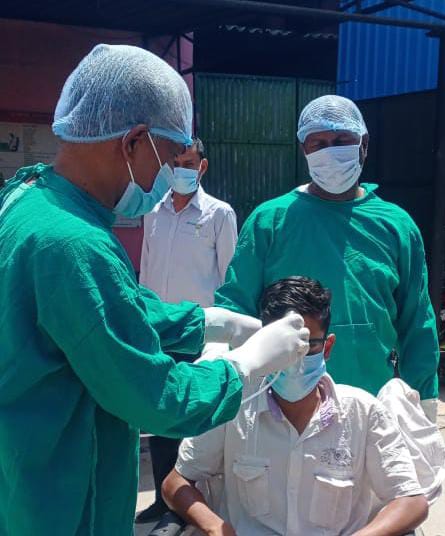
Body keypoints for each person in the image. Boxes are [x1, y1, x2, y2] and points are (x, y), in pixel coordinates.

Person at [0, 44, 310, 536]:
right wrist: (244, 365)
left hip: (22, 470)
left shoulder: (30, 199)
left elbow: (108, 308)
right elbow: (153, 398)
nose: (166, 179)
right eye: (168, 159)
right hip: (61, 497)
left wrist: (206, 322)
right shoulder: (74, 244)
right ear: (133, 142)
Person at [215, 95, 440, 422]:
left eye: (341, 141)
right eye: (318, 143)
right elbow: (236, 307)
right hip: (283, 407)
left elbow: (417, 322)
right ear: (304, 150)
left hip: (371, 406)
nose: (330, 151)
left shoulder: (396, 226)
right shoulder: (270, 221)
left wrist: (424, 401)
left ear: (364, 145)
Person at [163, 277, 429, 535]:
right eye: (286, 346)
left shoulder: (364, 412)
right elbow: (176, 482)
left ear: (327, 347)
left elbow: (411, 501)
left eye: (309, 345)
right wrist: (214, 527)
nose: (296, 357)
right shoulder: (234, 407)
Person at [137, 138, 238, 523]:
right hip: (160, 333)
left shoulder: (219, 214)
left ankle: (189, 508)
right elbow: (146, 273)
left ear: (202, 167)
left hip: (201, 334)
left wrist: (226, 336)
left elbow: (229, 279)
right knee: (161, 420)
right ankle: (163, 501)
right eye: (175, 163)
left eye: (189, 163)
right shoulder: (153, 212)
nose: (181, 170)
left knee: (195, 423)